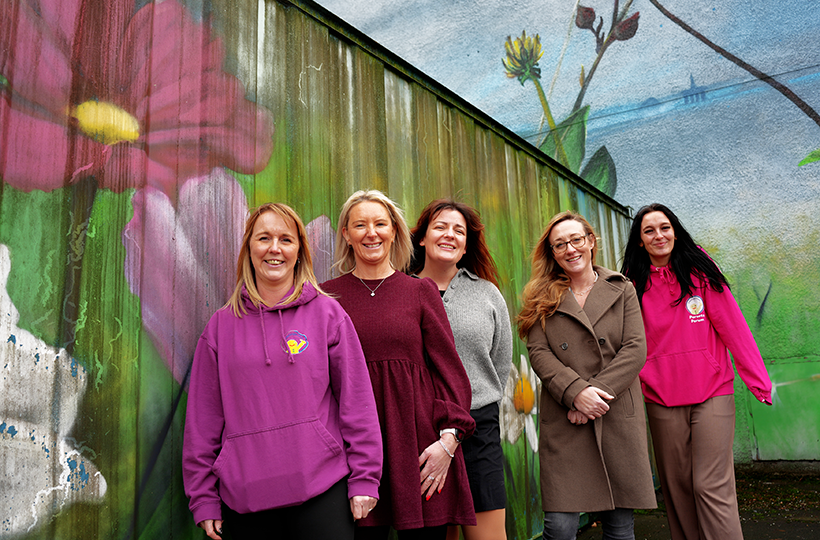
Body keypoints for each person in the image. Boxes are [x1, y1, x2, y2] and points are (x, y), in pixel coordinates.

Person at [182, 203, 382, 540]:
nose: (275, 248)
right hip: (245, 498)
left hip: (322, 490)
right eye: (264, 238)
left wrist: (365, 476)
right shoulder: (220, 327)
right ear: (249, 249)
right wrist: (203, 497)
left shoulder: (327, 314)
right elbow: (203, 421)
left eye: (286, 240)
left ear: (300, 252)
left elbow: (356, 399)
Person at [322, 190, 477, 540]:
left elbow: (450, 372)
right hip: (355, 451)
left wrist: (448, 443)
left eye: (380, 223)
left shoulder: (419, 291)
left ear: (394, 231)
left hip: (421, 448)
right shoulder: (326, 297)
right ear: (346, 233)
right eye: (359, 225)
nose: (371, 233)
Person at [621, 203, 772, 540]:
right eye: (649, 231)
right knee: (678, 489)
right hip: (660, 395)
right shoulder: (631, 285)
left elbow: (733, 325)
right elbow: (626, 342)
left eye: (664, 227)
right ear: (640, 241)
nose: (659, 235)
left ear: (675, 231)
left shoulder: (700, 272)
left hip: (712, 390)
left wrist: (757, 379)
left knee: (709, 484)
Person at [517, 211, 656, 540]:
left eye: (576, 240)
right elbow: (539, 353)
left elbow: (635, 348)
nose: (570, 249)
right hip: (565, 418)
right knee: (560, 527)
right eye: (559, 244)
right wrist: (576, 393)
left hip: (615, 412)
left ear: (591, 241)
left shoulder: (621, 289)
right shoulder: (540, 297)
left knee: (620, 527)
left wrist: (594, 396)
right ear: (552, 253)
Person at [409, 199, 512, 540]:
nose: (449, 235)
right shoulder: (400, 292)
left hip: (477, 429)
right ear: (422, 237)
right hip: (420, 430)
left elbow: (498, 363)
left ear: (467, 244)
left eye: (459, 230)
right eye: (440, 227)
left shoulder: (487, 294)